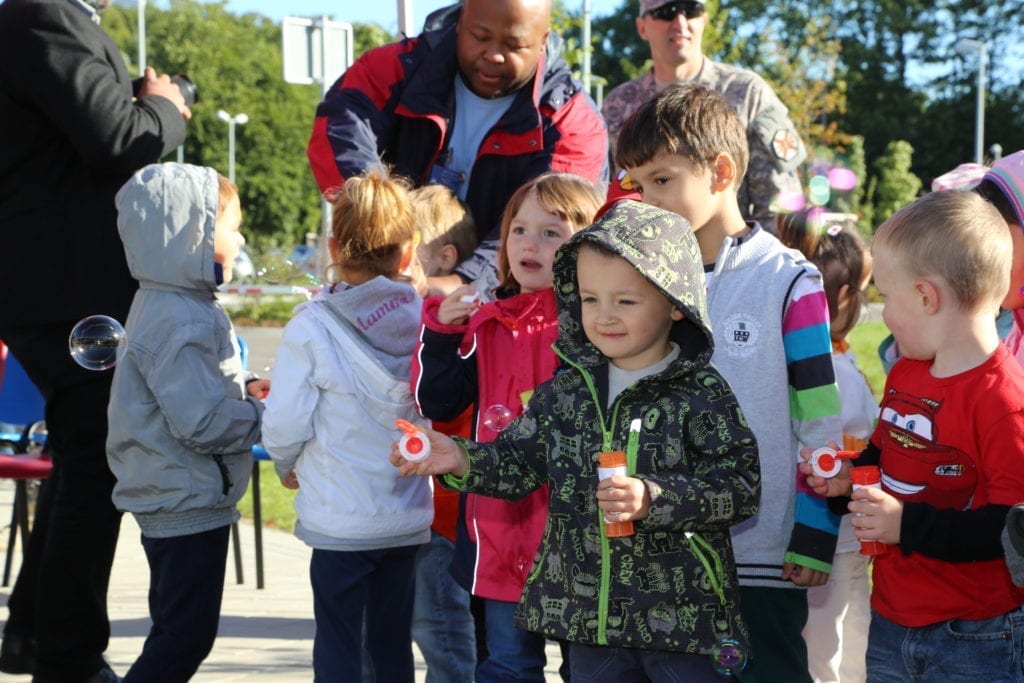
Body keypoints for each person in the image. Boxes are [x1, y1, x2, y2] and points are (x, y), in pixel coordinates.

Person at [393, 199, 761, 680]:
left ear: (676, 303)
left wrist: (655, 497)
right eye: (590, 299)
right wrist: (459, 457)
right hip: (590, 625)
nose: (604, 316)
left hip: (684, 626)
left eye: (625, 301)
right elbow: (515, 463)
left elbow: (739, 486)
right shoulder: (567, 390)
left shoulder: (700, 392)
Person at [615, 83, 842, 682]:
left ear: (721, 171)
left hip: (761, 557)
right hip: (665, 551)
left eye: (661, 180)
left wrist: (817, 532)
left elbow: (819, 418)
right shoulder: (641, 283)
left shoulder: (790, 280)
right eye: (636, 185)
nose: (644, 200)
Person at [0, 0, 191, 678]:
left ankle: (34, 630)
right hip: (63, 290)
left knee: (86, 459)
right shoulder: (42, 14)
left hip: (60, 288)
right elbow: (115, 139)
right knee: (94, 466)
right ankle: (68, 654)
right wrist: (166, 106)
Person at [800, 189, 1024, 680]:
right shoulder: (906, 372)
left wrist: (905, 525)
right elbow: (885, 456)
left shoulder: (1005, 401)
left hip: (973, 635)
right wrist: (849, 478)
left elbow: (1009, 528)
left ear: (925, 297)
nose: (883, 311)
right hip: (892, 620)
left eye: (885, 295)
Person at [412, 172, 602, 681]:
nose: (529, 244)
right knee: (507, 665)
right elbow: (437, 398)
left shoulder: (598, 327)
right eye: (519, 230)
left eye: (551, 232)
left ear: (589, 243)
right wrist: (443, 333)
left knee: (589, 669)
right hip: (499, 533)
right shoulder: (487, 321)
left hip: (580, 540)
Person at [260, 168, 433, 682]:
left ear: (335, 245)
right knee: (390, 644)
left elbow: (285, 421)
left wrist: (286, 463)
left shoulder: (311, 326)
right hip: (404, 517)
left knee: (338, 644)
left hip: (340, 521)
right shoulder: (428, 318)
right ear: (407, 252)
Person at [306, 0, 608, 294]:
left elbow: (557, 224)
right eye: (480, 36)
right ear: (460, 21)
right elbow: (341, 128)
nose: (494, 55)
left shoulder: (572, 120)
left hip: (508, 307)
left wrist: (464, 283)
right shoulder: (392, 68)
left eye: (514, 45)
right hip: (391, 278)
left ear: (543, 41)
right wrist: (378, 218)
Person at [105, 163, 264, 681]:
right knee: (184, 635)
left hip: (178, 491)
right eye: (231, 225)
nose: (240, 237)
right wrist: (263, 415)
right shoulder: (180, 317)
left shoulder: (174, 302)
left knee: (177, 629)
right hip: (185, 498)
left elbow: (195, 395)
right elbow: (203, 422)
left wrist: (245, 392)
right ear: (193, 233)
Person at [601, 0, 806, 226]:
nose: (680, 23)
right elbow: (609, 200)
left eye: (691, 10)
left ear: (704, 20)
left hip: (734, 254)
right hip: (647, 256)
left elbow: (780, 207)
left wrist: (757, 259)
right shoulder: (617, 106)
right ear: (642, 27)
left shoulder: (747, 93)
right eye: (665, 12)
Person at [778, 212, 875, 683]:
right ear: (844, 297)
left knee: (848, 628)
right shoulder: (829, 368)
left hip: (844, 532)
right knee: (828, 639)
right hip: (831, 535)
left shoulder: (833, 353)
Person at [408, 183, 480, 682]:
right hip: (431, 507)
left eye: (406, 247)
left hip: (446, 512)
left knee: (443, 632)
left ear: (445, 257)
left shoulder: (447, 315)